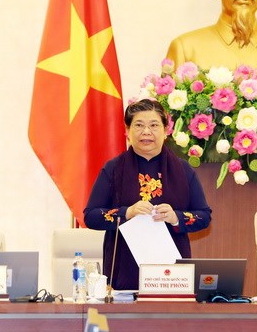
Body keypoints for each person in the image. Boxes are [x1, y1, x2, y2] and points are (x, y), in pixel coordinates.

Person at [84, 99, 212, 290]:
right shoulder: (113, 169)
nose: (146, 132)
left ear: (166, 131)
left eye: (154, 125)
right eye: (138, 125)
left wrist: (176, 217)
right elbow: (91, 216)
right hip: (123, 270)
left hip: (173, 276)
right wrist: (127, 213)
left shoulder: (183, 170)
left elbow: (204, 216)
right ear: (127, 131)